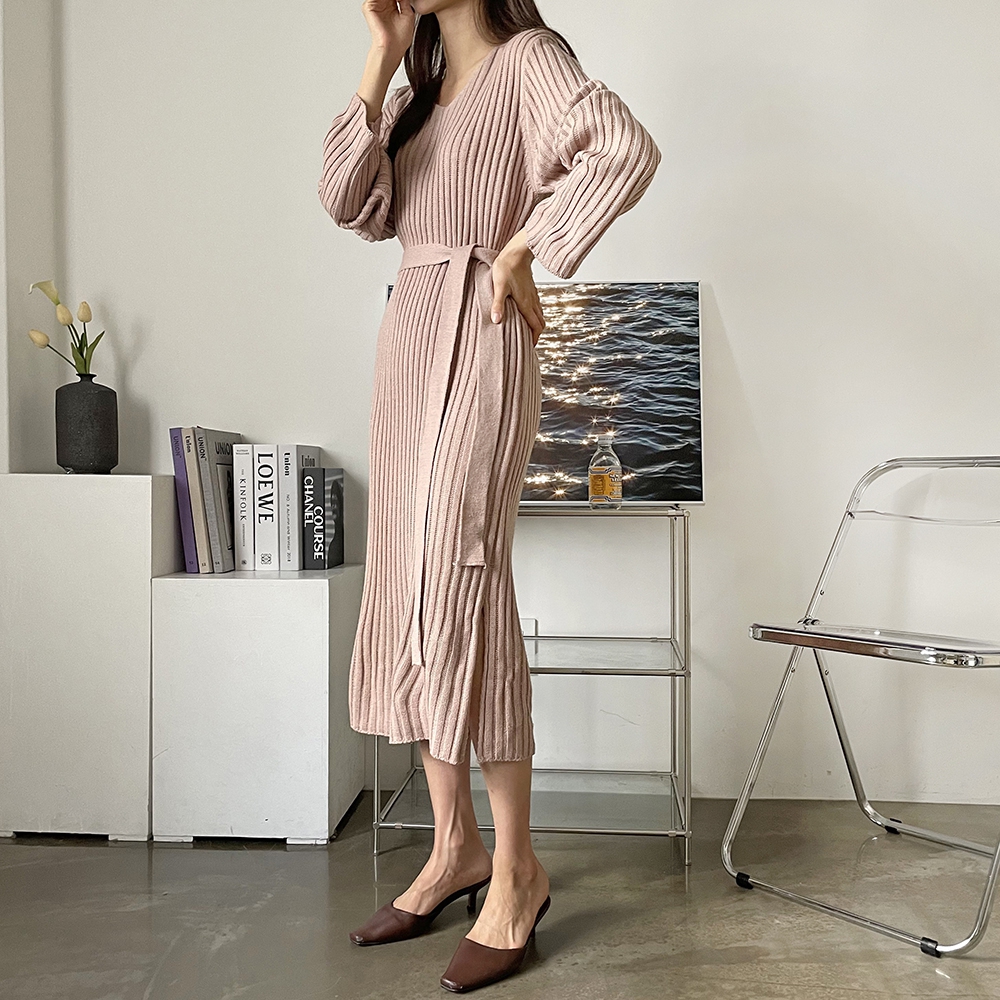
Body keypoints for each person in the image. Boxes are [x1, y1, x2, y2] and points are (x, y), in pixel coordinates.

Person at [318, 0, 660, 991]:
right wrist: (382, 54)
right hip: (409, 337)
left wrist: (521, 248)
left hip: (482, 328)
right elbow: (344, 200)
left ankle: (516, 871)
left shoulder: (528, 61)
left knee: (465, 578)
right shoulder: (419, 94)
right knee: (411, 583)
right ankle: (453, 847)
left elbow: (624, 148)